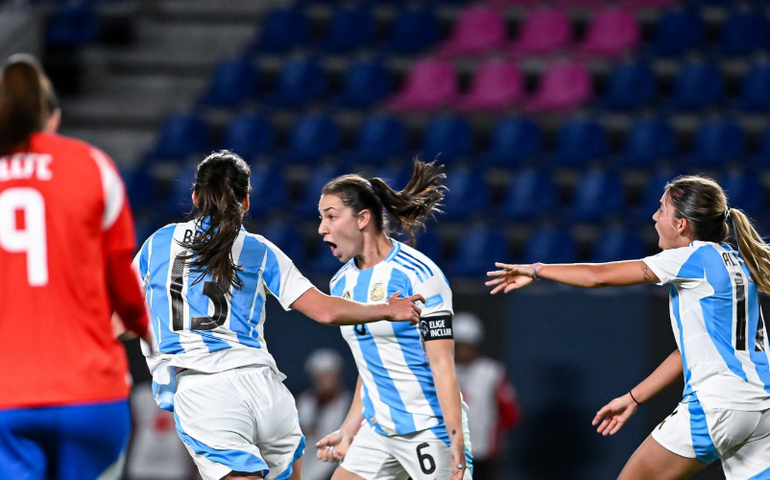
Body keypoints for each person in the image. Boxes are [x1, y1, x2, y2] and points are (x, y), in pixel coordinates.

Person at [135, 150, 423, 480]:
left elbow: (122, 320)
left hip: (205, 389)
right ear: (246, 201)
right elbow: (325, 311)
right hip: (266, 390)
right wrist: (386, 309)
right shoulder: (260, 249)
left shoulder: (158, 244)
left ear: (195, 197)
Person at [486, 175, 770, 480]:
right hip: (762, 406)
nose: (654, 216)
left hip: (719, 403)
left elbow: (600, 277)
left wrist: (537, 270)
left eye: (662, 209)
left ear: (681, 224)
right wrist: (634, 398)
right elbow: (688, 352)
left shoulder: (690, 257)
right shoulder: (737, 263)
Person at [0, 54, 151, 479]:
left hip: (7, 396)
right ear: (53, 118)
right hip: (90, 394)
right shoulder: (91, 165)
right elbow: (121, 277)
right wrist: (144, 328)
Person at [314, 159, 473, 480]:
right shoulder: (340, 284)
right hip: (378, 431)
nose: (322, 229)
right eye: (321, 218)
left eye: (331, 217)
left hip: (428, 428)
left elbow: (443, 365)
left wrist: (455, 437)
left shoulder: (419, 274)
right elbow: (370, 365)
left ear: (362, 218)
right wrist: (348, 430)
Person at [453, 312, 520, 480]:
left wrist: (495, 435)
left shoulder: (492, 373)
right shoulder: (444, 372)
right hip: (450, 450)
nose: (462, 351)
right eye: (459, 346)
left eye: (467, 346)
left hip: (483, 451)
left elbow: (511, 414)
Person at [297, 349, 353, 480]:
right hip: (303, 468)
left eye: (329, 375)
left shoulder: (349, 405)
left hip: (334, 469)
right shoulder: (301, 403)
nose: (326, 381)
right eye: (321, 376)